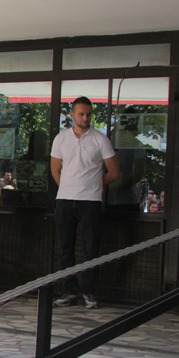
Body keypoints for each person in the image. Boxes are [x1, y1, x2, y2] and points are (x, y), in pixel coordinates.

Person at [51, 96, 119, 309]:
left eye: (88, 114)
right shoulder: (61, 138)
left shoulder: (100, 139)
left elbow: (114, 172)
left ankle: (89, 291)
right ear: (72, 115)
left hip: (90, 200)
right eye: (81, 114)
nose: (85, 118)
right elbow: (54, 168)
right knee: (65, 248)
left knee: (91, 248)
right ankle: (69, 290)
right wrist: (66, 186)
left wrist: (94, 184)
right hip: (65, 200)